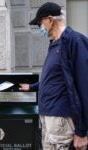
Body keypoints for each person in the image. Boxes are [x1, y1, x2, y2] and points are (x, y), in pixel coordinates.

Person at [20, 2, 88, 150]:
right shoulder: (55, 44)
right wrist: (32, 87)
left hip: (61, 119)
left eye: (40, 23)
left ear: (50, 20)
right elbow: (56, 78)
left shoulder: (74, 41)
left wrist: (82, 131)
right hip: (49, 117)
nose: (40, 28)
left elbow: (84, 86)